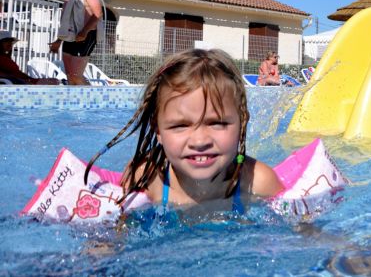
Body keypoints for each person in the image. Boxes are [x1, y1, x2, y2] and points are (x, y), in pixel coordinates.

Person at [85, 49, 284, 217]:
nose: (199, 140)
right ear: (158, 130)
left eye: (217, 123)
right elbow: (119, 231)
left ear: (242, 123)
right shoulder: (147, 177)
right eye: (180, 126)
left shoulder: (258, 182)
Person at [49, 0, 104, 85]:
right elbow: (66, 23)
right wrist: (58, 41)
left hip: (86, 35)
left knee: (75, 75)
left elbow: (98, 14)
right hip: (69, 37)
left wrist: (84, 32)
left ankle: (93, 99)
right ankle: (76, 102)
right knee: (70, 76)